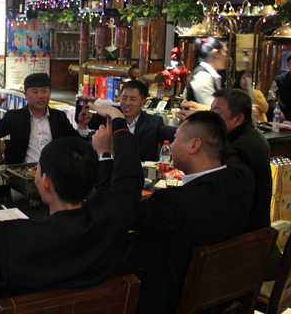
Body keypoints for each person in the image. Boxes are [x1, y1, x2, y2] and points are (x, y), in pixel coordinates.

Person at [0, 103, 144, 312]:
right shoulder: (111, 219)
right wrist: (114, 128)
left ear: (46, 181)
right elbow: (129, 177)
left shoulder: (13, 238)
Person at [123, 111, 255, 314]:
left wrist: (107, 154)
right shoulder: (243, 180)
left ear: (194, 145)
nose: (171, 145)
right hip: (218, 295)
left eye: (175, 138)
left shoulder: (176, 203)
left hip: (168, 301)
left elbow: (124, 211)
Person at [0, 73, 90, 164]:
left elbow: (78, 144)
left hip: (53, 173)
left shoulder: (59, 117)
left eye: (44, 91)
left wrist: (82, 125)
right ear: (26, 95)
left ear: (50, 93)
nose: (40, 96)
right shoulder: (15, 116)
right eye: (35, 92)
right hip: (22, 173)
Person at [211, 89, 272, 233]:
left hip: (247, 235)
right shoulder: (251, 134)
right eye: (210, 110)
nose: (210, 118)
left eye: (216, 113)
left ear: (238, 119)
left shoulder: (240, 148)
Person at [75, 80, 176, 161]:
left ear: (143, 103)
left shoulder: (154, 122)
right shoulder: (109, 116)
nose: (127, 103)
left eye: (132, 99)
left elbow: (173, 134)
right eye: (124, 98)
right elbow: (83, 123)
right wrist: (82, 106)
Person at [183, 37, 228, 106]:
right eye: (225, 52)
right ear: (215, 53)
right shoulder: (202, 76)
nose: (227, 57)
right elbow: (214, 108)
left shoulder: (209, 74)